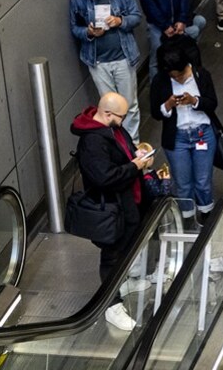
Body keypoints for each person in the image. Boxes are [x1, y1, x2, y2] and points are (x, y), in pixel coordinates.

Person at [71, 92, 155, 331]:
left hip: (128, 203)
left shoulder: (112, 129)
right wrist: (134, 166)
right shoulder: (92, 142)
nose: (124, 120)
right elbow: (103, 178)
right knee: (112, 255)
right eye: (121, 116)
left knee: (126, 248)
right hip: (111, 209)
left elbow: (124, 152)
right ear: (107, 114)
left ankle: (122, 283)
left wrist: (135, 155)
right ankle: (111, 304)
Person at [69, 0, 143, 142]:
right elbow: (74, 28)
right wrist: (88, 32)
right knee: (109, 109)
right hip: (97, 62)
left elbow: (136, 16)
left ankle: (133, 144)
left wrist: (120, 21)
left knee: (129, 105)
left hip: (123, 57)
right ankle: (118, 145)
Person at [149, 46, 219, 222]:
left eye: (181, 75)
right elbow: (155, 113)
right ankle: (187, 216)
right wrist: (168, 105)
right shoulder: (160, 81)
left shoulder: (201, 75)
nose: (179, 79)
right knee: (182, 182)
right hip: (177, 137)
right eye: (174, 77)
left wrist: (195, 101)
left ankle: (206, 213)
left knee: (203, 180)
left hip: (202, 133)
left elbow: (212, 103)